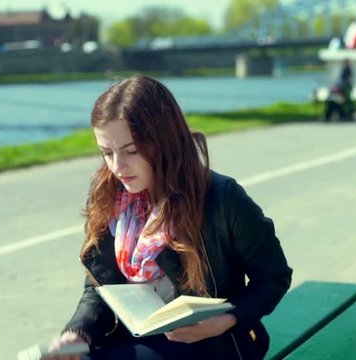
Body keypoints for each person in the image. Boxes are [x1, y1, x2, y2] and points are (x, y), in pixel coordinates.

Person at [48, 75, 292, 359]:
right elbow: (99, 288)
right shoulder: (109, 196)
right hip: (135, 339)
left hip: (213, 344)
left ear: (164, 141)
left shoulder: (223, 199)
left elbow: (274, 278)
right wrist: (76, 333)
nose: (117, 166)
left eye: (131, 151)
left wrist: (226, 320)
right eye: (107, 153)